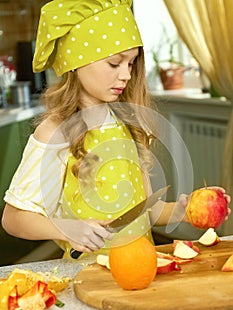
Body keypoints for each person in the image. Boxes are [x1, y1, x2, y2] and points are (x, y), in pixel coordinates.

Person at [1, 0, 231, 260]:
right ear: (75, 63)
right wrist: (66, 228)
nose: (126, 75)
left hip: (141, 269)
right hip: (88, 277)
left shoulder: (127, 123)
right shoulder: (56, 132)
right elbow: (14, 219)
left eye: (131, 64)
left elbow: (147, 211)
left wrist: (183, 210)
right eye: (114, 64)